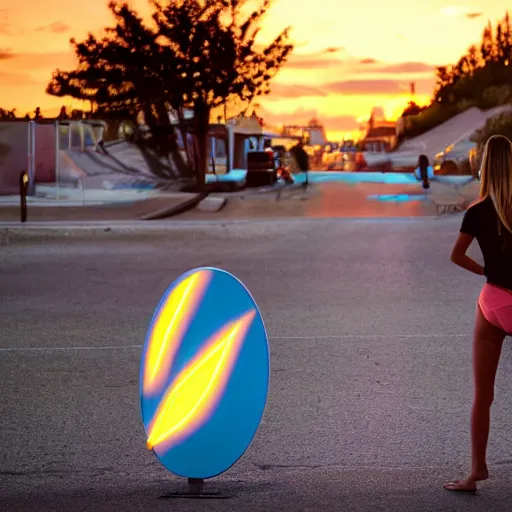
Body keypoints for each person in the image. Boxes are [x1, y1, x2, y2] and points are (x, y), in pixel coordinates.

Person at [444, 134, 512, 493]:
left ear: (485, 165)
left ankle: (476, 472)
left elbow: (456, 255)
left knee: (483, 395)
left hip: (495, 301)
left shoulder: (478, 210)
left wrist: (485, 271)